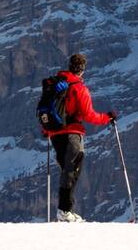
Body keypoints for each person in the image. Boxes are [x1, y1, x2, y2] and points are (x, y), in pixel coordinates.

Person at [43, 53, 116, 222]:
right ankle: (64, 211)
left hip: (55, 134)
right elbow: (88, 115)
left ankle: (66, 211)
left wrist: (48, 129)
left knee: (66, 170)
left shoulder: (55, 85)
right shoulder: (78, 87)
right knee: (72, 170)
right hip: (72, 134)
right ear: (82, 70)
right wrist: (107, 118)